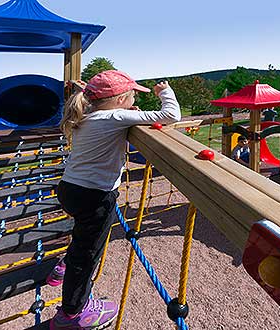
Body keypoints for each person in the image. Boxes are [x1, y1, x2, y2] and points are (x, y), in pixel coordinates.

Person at [48, 70, 181, 330]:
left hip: (70, 189)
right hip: (95, 196)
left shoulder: (88, 113)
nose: (134, 98)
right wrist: (164, 91)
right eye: (132, 94)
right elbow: (172, 116)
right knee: (87, 256)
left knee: (82, 238)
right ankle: (72, 314)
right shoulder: (117, 116)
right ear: (121, 99)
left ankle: (63, 267)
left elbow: (115, 115)